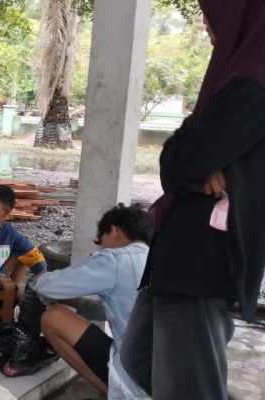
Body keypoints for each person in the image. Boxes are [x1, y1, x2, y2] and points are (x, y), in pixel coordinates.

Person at [120, 3, 265, 399]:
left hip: (201, 260)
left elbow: (185, 163)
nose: (206, 23)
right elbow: (180, 163)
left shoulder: (252, 84)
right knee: (139, 360)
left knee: (184, 386)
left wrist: (188, 156)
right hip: (179, 256)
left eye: (212, 11)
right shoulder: (231, 76)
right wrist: (186, 155)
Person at [32, 204, 151, 399]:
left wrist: (38, 280)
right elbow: (116, 309)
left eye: (102, 242)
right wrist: (75, 302)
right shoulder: (158, 258)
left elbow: (48, 286)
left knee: (53, 318)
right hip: (169, 376)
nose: (103, 248)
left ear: (114, 230)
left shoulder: (117, 259)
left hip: (137, 376)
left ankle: (114, 394)